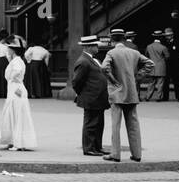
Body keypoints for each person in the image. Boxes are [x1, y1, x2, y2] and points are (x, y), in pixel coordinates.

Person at [102, 26, 153, 162]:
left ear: (112, 39)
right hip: (131, 92)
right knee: (133, 125)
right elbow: (150, 64)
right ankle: (137, 154)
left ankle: (115, 154)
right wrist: (137, 77)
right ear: (124, 38)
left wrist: (113, 81)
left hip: (117, 94)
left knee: (115, 125)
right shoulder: (134, 52)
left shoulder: (111, 53)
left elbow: (104, 68)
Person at [71, 34, 110, 157]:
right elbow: (76, 82)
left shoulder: (93, 59)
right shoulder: (83, 61)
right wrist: (83, 94)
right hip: (91, 98)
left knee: (99, 124)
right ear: (88, 47)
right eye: (95, 45)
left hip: (98, 98)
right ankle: (89, 148)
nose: (97, 47)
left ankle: (97, 146)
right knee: (91, 124)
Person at [0, 38, 37, 150]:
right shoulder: (16, 60)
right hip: (14, 87)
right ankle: (13, 140)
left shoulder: (17, 61)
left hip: (16, 88)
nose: (7, 50)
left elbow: (17, 71)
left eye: (9, 48)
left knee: (17, 113)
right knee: (13, 113)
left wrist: (12, 77)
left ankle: (18, 142)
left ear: (13, 50)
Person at [143, 32, 169, 102]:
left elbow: (146, 55)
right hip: (161, 66)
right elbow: (167, 57)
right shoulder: (163, 47)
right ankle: (159, 97)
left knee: (151, 83)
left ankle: (148, 97)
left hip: (152, 66)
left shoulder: (149, 46)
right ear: (161, 38)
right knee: (160, 83)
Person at [165, 27, 179, 101]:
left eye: (169, 35)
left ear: (172, 35)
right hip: (166, 65)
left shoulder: (177, 42)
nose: (167, 37)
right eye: (166, 36)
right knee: (166, 82)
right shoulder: (164, 43)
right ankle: (165, 97)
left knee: (176, 82)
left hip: (175, 65)